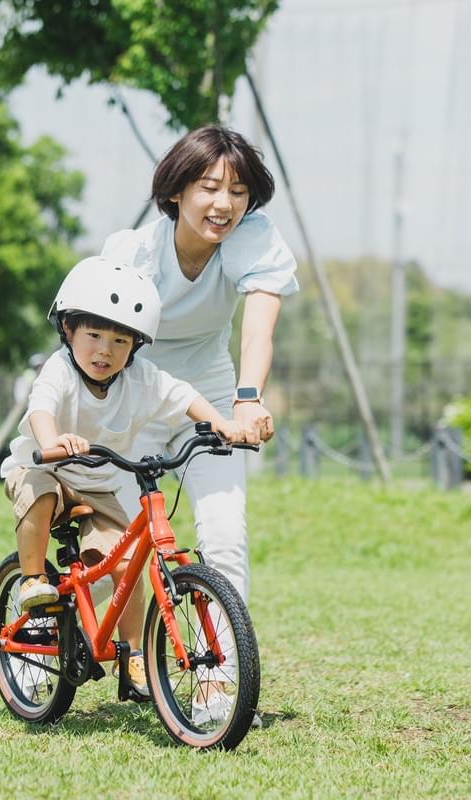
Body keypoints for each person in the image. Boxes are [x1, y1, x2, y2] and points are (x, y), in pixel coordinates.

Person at [100, 125, 298, 724]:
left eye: (238, 191)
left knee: (223, 533)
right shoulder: (131, 254)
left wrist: (246, 400)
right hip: (135, 390)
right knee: (107, 541)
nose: (224, 204)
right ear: (177, 192)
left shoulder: (252, 239)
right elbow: (99, 346)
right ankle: (56, 632)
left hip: (210, 391)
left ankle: (217, 681)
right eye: (209, 187)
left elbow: (258, 326)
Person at [0, 255, 246, 697]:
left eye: (119, 340)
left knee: (129, 562)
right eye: (93, 334)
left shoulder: (141, 378)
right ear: (68, 330)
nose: (105, 350)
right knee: (38, 492)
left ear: (135, 347)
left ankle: (133, 657)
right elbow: (41, 407)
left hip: (102, 485)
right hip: (46, 468)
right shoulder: (59, 370)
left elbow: (184, 395)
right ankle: (33, 580)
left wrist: (221, 424)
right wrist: (53, 438)